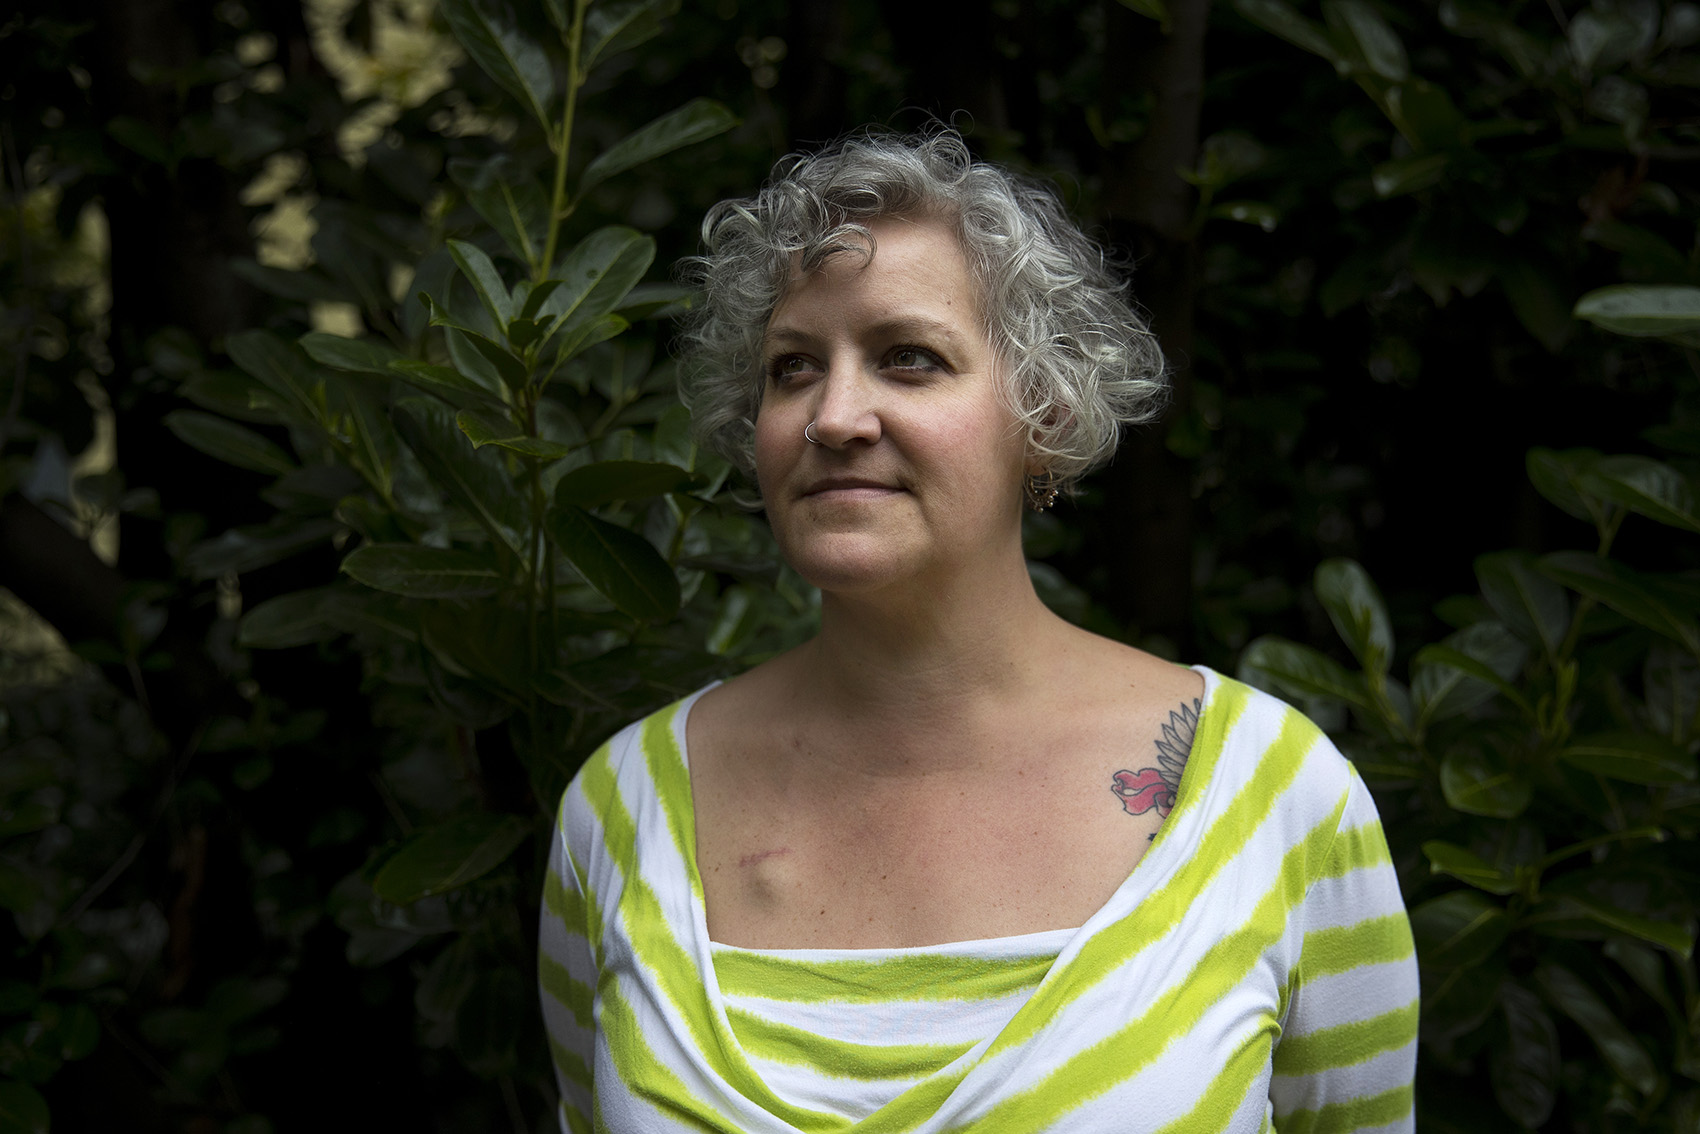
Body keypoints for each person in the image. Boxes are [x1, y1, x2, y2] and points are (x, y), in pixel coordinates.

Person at [538, 129, 1418, 1133]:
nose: (833, 415)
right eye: (791, 367)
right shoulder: (619, 814)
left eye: (907, 359)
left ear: (1041, 410)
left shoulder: (1270, 797)